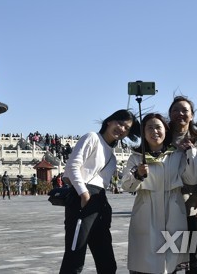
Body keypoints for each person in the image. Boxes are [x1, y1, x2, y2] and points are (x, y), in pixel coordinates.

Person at [59, 109, 140, 274]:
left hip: (100, 203)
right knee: (74, 259)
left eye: (127, 128)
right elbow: (72, 166)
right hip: (83, 200)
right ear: (109, 121)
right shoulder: (92, 138)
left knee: (107, 262)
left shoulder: (113, 155)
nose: (122, 129)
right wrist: (83, 193)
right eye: (120, 123)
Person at [121, 113, 197, 274]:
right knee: (145, 260)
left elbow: (192, 179)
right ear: (143, 133)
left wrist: (191, 153)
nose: (154, 131)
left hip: (173, 210)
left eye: (158, 127)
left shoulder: (177, 155)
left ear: (166, 130)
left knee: (171, 261)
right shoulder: (136, 157)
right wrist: (137, 174)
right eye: (149, 128)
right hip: (146, 212)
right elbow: (127, 186)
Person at [168, 96, 197, 274]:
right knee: (168, 249)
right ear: (170, 114)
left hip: (192, 203)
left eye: (185, 110)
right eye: (176, 110)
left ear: (192, 116)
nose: (180, 114)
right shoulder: (163, 136)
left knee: (193, 252)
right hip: (167, 202)